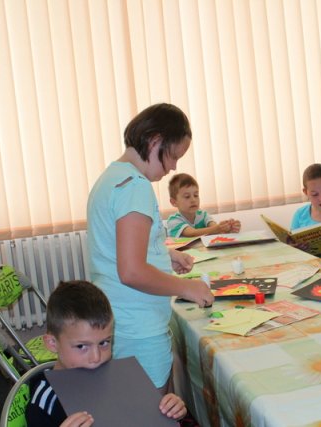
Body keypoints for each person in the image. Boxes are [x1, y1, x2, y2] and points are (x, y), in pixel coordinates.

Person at [87, 103, 214, 391]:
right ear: (155, 141)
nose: (174, 167)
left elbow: (116, 249)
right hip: (139, 326)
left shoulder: (112, 178)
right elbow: (131, 271)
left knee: (132, 402)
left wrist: (165, 256)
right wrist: (187, 288)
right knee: (154, 407)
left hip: (119, 316)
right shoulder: (135, 186)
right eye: (174, 156)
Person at [26, 281, 187, 427]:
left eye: (104, 343)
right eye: (82, 346)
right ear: (52, 343)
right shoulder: (44, 401)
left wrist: (170, 410)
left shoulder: (119, 377)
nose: (96, 357)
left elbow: (143, 415)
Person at [167, 173, 240, 237]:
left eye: (196, 195)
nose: (193, 200)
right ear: (174, 202)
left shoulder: (203, 215)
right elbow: (192, 233)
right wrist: (218, 228)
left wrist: (226, 228)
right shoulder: (173, 220)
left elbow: (214, 227)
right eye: (187, 196)